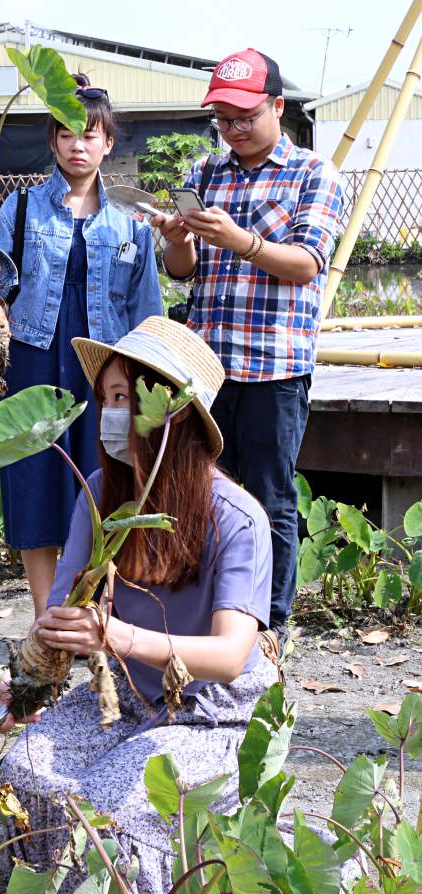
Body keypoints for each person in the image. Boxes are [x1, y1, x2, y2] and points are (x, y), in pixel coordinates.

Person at [0, 315, 277, 894]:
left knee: (110, 804)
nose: (111, 415)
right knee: (23, 769)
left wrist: (116, 637)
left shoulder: (239, 518)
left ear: (175, 416)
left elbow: (232, 654)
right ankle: (67, 892)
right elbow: (63, 611)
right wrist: (27, 680)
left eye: (128, 399)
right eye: (108, 399)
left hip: (211, 713)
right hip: (125, 696)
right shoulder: (99, 491)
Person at [152, 49, 344, 655]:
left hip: (273, 366)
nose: (233, 128)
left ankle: (269, 627)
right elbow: (184, 273)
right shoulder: (206, 171)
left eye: (245, 115)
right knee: (200, 490)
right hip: (205, 366)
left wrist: (244, 241)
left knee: (269, 497)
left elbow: (307, 265)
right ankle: (210, 613)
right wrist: (178, 239)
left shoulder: (315, 173)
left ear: (277, 108)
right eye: (223, 118)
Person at [0, 76, 162, 618]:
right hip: (36, 357)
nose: (80, 145)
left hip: (106, 367)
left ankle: (97, 611)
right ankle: (46, 616)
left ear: (108, 145)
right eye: (68, 134)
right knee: (35, 480)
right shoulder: (22, 208)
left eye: (91, 135)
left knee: (107, 480)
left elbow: (147, 309)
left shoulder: (132, 223)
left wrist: (150, 383)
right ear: (53, 142)